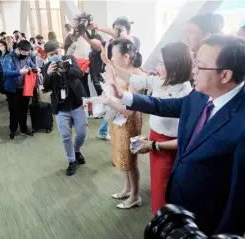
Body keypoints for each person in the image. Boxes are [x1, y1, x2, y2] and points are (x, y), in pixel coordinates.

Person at [103, 34, 245, 236]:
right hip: (181, 194)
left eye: (200, 66)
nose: (193, 70)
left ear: (225, 75)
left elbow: (239, 197)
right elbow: (163, 105)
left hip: (211, 213)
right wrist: (123, 96)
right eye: (195, 62)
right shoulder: (200, 94)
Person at [102, 42, 193, 214]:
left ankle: (164, 222)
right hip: (155, 138)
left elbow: (185, 137)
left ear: (175, 66)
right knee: (157, 185)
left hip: (170, 146)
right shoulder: (160, 80)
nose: (156, 68)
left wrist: (153, 145)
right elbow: (133, 78)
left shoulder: (185, 93)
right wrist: (111, 65)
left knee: (165, 189)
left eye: (161, 64)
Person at [83, 16, 141, 141]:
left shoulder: (132, 42)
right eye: (115, 29)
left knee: (127, 139)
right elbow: (96, 44)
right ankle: (104, 130)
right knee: (116, 130)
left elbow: (130, 110)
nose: (117, 32)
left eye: (120, 29)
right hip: (117, 87)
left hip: (129, 87)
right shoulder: (112, 44)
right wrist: (83, 33)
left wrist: (99, 27)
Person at [102, 39, 143, 209]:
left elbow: (131, 111)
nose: (111, 58)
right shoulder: (121, 72)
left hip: (130, 123)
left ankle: (135, 196)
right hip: (118, 120)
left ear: (126, 56)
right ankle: (126, 189)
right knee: (121, 157)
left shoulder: (137, 76)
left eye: (114, 55)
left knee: (131, 161)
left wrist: (109, 103)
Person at [42, 40, 87, 176]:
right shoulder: (47, 67)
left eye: (57, 52)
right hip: (60, 107)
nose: (55, 55)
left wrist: (66, 69)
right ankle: (72, 160)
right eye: (52, 54)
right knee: (65, 136)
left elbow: (79, 74)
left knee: (82, 132)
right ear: (47, 56)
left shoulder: (69, 59)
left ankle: (76, 149)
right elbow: (45, 86)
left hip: (76, 103)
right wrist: (48, 74)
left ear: (60, 50)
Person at [3, 40, 36, 139]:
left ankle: (23, 129)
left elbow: (33, 66)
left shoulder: (28, 58)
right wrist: (19, 72)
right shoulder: (8, 58)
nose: (26, 54)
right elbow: (6, 72)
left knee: (24, 109)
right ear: (18, 50)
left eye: (28, 52)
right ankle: (13, 129)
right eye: (24, 52)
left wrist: (36, 69)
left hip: (25, 88)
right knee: (13, 110)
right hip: (12, 90)